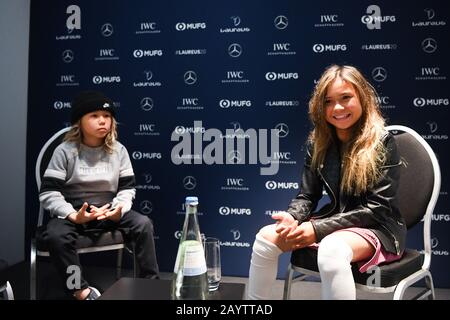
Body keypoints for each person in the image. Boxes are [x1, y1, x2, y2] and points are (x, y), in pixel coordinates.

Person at [247, 65, 406, 300]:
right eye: (328, 101)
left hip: (378, 227)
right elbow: (307, 196)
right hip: (333, 221)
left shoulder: (383, 141)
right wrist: (293, 217)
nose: (337, 108)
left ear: (362, 97)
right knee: (265, 237)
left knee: (332, 250)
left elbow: (377, 209)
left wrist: (317, 229)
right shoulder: (317, 142)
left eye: (345, 98)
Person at [39, 90, 159, 300]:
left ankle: (150, 286)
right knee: (56, 235)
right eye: (94, 116)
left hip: (109, 209)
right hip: (75, 211)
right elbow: (49, 192)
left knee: (143, 223)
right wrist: (72, 215)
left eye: (106, 116)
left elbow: (127, 189)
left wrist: (118, 210)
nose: (102, 121)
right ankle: (79, 290)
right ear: (79, 122)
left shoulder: (119, 151)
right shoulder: (65, 151)